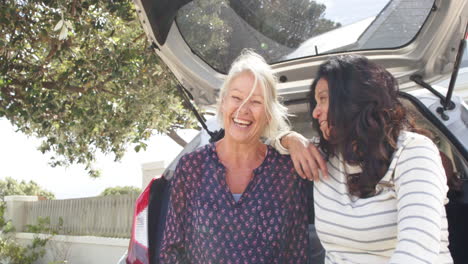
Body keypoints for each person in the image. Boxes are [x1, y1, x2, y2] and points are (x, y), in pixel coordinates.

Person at [273, 54, 453, 263]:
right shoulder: (325, 156)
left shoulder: (414, 151)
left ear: (353, 100)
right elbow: (253, 140)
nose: (315, 112)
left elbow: (417, 253)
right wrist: (289, 139)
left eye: (322, 99)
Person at [159, 50, 310, 263]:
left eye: (255, 101)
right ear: (223, 103)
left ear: (268, 113)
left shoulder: (286, 172)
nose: (243, 109)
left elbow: (297, 254)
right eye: (236, 98)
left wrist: (290, 139)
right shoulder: (192, 167)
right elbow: (171, 251)